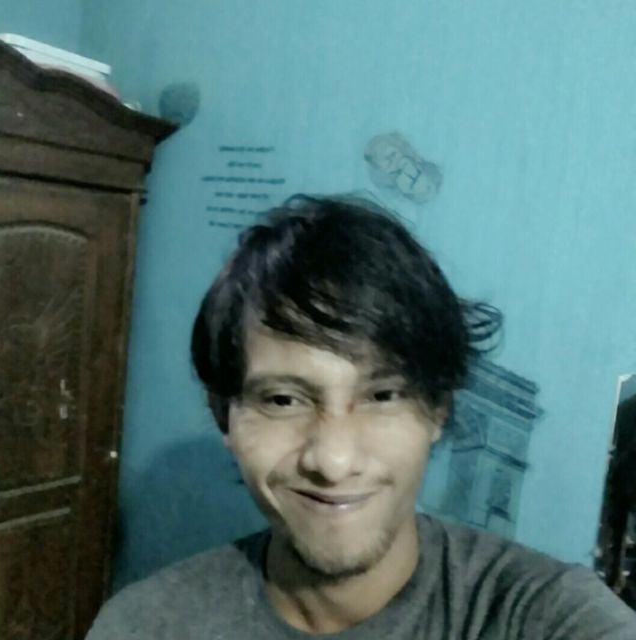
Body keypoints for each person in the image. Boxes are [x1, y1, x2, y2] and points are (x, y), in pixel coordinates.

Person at [87, 195, 636, 639]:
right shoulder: (144, 625)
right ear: (224, 416)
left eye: (383, 395)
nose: (333, 461)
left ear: (438, 409)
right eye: (283, 400)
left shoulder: (542, 614)